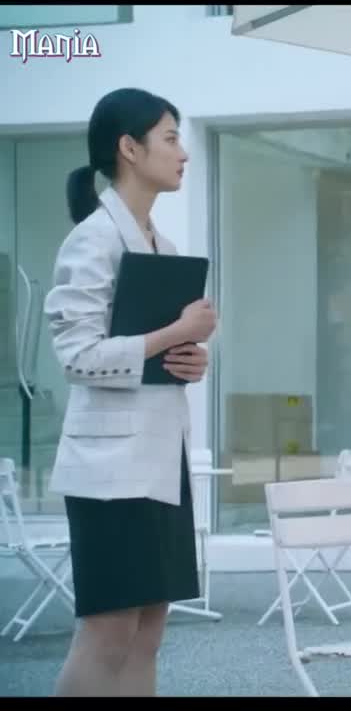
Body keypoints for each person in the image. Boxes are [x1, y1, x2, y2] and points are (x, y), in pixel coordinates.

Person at [46, 88, 218, 696]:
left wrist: (188, 358)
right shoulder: (91, 240)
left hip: (161, 462)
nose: (184, 153)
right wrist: (172, 332)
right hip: (110, 472)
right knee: (108, 632)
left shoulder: (161, 247)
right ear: (129, 148)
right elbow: (77, 357)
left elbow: (148, 355)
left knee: (149, 631)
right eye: (170, 139)